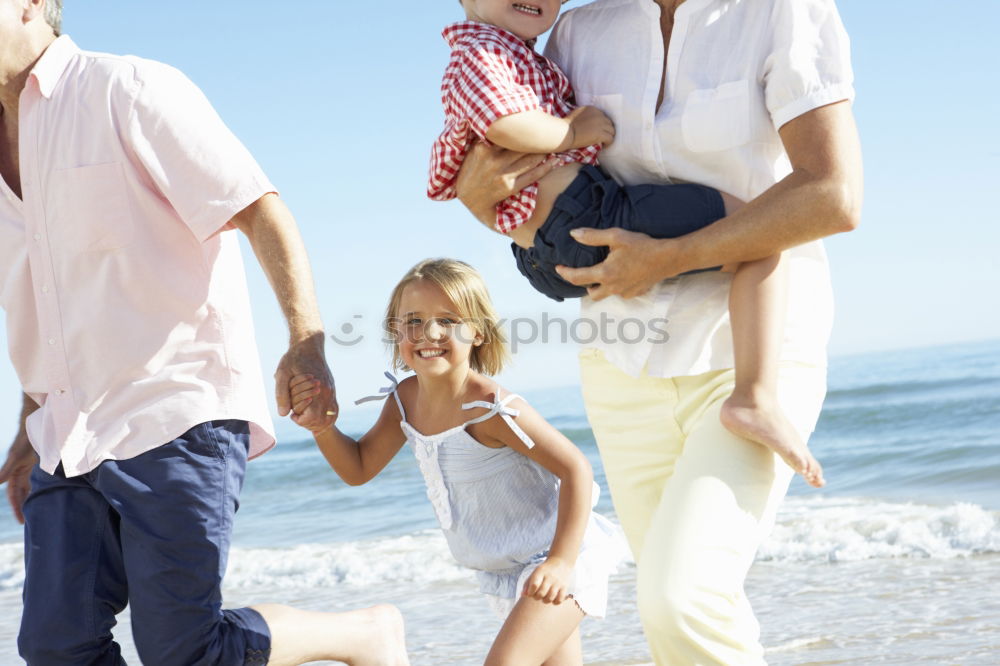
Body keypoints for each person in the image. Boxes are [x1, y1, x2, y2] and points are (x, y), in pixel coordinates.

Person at [453, 0, 863, 663]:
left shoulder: (781, 12)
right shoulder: (581, 31)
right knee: (687, 618)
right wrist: (480, 202)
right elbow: (540, 189)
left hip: (749, 352)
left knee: (681, 601)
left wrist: (673, 257)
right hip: (621, 363)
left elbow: (834, 195)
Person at [0, 1, 408, 664]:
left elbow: (257, 209)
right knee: (55, 645)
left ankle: (362, 633)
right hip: (65, 435)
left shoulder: (125, 89)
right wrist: (28, 416)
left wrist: (306, 339)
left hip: (175, 410)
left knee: (184, 650)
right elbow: (38, 298)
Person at [429, 0, 824, 486]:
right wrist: (572, 131)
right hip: (587, 218)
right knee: (758, 234)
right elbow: (501, 125)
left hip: (557, 243)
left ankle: (752, 393)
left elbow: (834, 194)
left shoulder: (518, 49)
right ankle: (755, 397)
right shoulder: (485, 50)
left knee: (756, 235)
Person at [289, 258, 625, 666]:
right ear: (395, 332)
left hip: (560, 557)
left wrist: (560, 562)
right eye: (413, 321)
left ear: (478, 331)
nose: (429, 333)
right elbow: (359, 469)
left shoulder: (491, 407)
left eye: (447, 320)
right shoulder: (405, 401)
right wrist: (322, 425)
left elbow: (576, 469)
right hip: (507, 568)